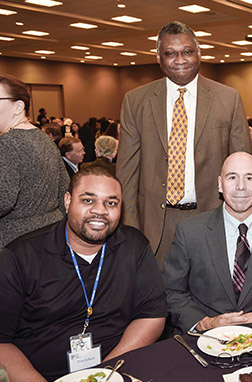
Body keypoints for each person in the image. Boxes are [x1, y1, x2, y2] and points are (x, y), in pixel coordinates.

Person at [0, 166, 167, 381]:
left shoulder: (134, 246)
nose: (100, 210)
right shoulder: (20, 256)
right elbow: (2, 340)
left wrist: (104, 373)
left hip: (117, 368)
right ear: (68, 201)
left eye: (111, 203)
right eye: (88, 200)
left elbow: (152, 315)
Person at [117, 20, 250, 266]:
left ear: (199, 52)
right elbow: (126, 173)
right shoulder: (135, 101)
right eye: (170, 53)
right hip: (156, 223)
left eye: (187, 51)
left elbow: (242, 168)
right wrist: (131, 231)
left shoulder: (228, 98)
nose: (180, 60)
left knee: (211, 298)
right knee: (158, 299)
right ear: (159, 57)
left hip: (212, 217)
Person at [162, 152, 252, 332]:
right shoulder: (190, 231)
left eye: (249, 178)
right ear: (220, 184)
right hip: (204, 338)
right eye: (232, 177)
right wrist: (205, 323)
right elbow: (171, 291)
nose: (241, 186)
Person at [0, 74, 69, 249]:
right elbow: (65, 191)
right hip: (51, 235)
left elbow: (3, 200)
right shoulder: (44, 139)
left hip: (13, 241)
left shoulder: (7, 142)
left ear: (18, 106)